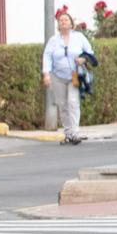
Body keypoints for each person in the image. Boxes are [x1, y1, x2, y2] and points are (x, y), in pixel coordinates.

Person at [41, 10, 93, 144]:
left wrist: (83, 59)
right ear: (58, 25)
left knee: (73, 102)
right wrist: (46, 74)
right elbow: (47, 56)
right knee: (62, 105)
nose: (63, 22)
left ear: (71, 24)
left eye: (66, 20)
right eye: (61, 20)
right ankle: (68, 133)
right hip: (58, 76)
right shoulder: (53, 40)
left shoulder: (79, 38)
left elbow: (89, 52)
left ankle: (75, 133)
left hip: (74, 75)